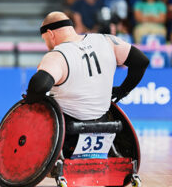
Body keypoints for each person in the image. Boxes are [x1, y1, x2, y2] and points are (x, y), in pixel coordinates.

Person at [25, 11, 149, 155]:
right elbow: (141, 62)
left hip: (68, 132)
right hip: (104, 124)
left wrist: (30, 101)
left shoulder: (57, 55)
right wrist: (123, 90)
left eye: (44, 39)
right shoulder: (107, 40)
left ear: (50, 34)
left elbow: (38, 85)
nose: (46, 44)